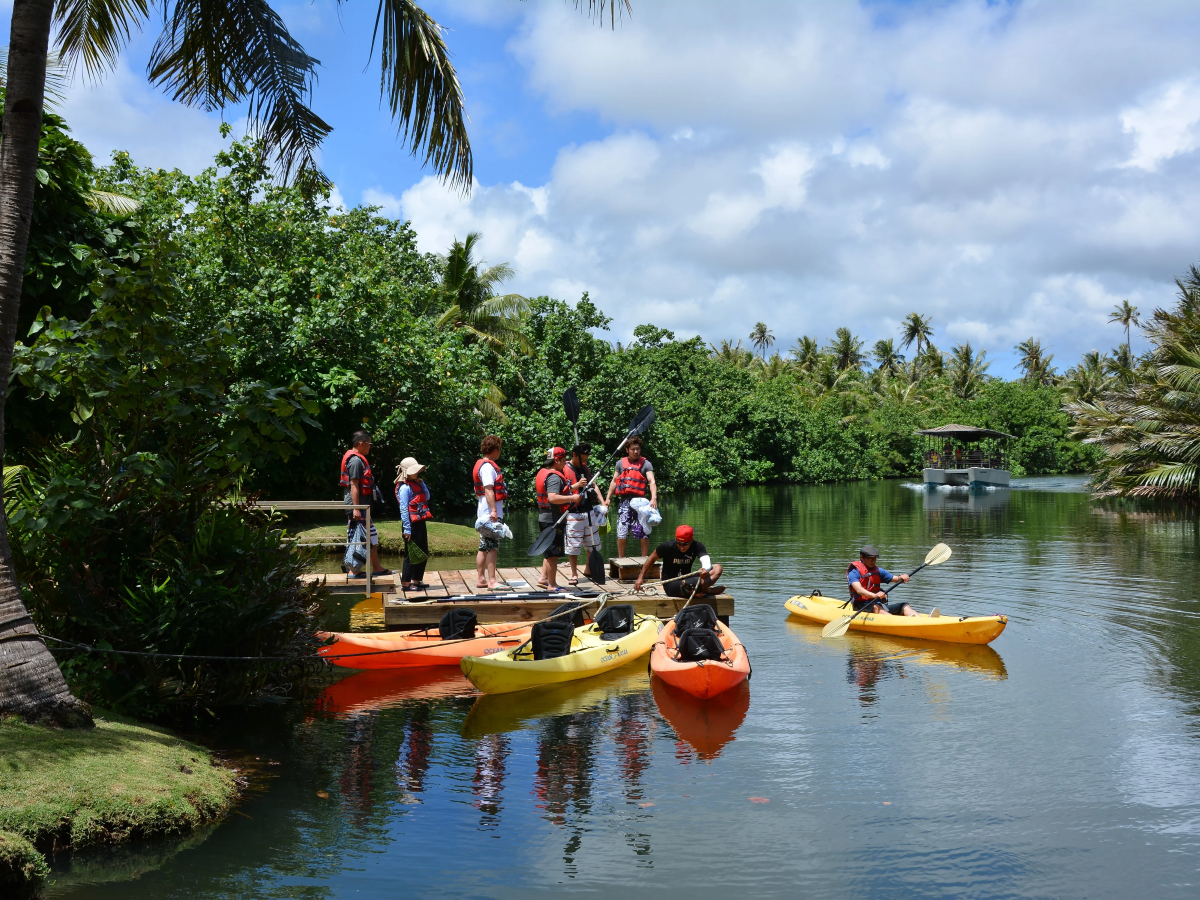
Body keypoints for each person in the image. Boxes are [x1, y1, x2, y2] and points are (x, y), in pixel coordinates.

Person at [340, 430, 389, 579]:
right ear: (361, 444)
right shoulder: (355, 461)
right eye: (369, 443)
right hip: (358, 507)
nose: (370, 447)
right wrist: (356, 508)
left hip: (362, 507)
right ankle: (353, 570)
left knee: (372, 537)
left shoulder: (359, 459)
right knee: (358, 538)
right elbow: (354, 485)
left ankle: (377, 567)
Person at [534, 447, 582, 591]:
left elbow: (560, 491)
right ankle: (552, 586)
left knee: (549, 552)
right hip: (552, 520)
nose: (565, 463)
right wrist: (573, 497)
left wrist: (576, 486)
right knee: (553, 555)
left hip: (547, 518)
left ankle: (543, 579)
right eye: (563, 460)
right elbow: (553, 497)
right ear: (556, 460)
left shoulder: (545, 472)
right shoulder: (554, 477)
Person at [604, 435, 658, 558]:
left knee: (643, 532)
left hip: (641, 504)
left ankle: (645, 559)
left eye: (637, 449)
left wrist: (653, 497)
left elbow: (652, 481)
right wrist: (608, 498)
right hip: (624, 503)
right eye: (633, 449)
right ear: (627, 450)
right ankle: (621, 559)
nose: (635, 451)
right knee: (621, 533)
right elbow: (614, 481)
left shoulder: (646, 464)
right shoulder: (620, 463)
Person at [634, 525, 724, 597]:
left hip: (688, 580)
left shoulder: (697, 546)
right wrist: (640, 578)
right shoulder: (667, 546)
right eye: (679, 543)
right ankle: (707, 590)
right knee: (699, 582)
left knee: (717, 568)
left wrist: (705, 569)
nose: (681, 547)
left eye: (685, 544)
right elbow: (651, 558)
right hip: (671, 584)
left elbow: (706, 561)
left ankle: (699, 590)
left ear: (691, 540)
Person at [563, 443, 606, 585]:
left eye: (587, 458)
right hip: (573, 512)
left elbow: (594, 485)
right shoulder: (564, 468)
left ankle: (589, 568)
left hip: (589, 511)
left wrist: (603, 501)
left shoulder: (585, 467)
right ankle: (574, 574)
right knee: (574, 546)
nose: (585, 460)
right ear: (574, 455)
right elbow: (562, 490)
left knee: (592, 543)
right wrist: (577, 485)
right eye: (583, 458)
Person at [473, 435, 508, 590]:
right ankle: (492, 581)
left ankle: (481, 579)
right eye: (499, 449)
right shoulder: (488, 467)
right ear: (494, 450)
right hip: (490, 513)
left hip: (484, 512)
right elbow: (488, 489)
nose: (500, 452)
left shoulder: (481, 465)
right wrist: (494, 510)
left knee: (483, 546)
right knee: (492, 546)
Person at [847, 545, 916, 616]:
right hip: (861, 606)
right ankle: (895, 622)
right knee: (876, 607)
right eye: (870, 558)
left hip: (877, 604)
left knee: (905, 606)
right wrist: (874, 595)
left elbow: (896, 579)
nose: (873, 561)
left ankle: (920, 620)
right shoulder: (854, 572)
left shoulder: (878, 571)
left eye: (875, 558)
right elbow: (859, 590)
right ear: (862, 557)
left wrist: (901, 577)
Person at [395, 456, 432, 591]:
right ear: (406, 472)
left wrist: (421, 483)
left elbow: (426, 496)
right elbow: (404, 508)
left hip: (420, 521)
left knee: (423, 550)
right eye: (414, 470)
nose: (417, 472)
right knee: (411, 553)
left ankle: (416, 580)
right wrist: (407, 529)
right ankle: (405, 583)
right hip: (411, 523)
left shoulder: (416, 483)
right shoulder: (404, 488)